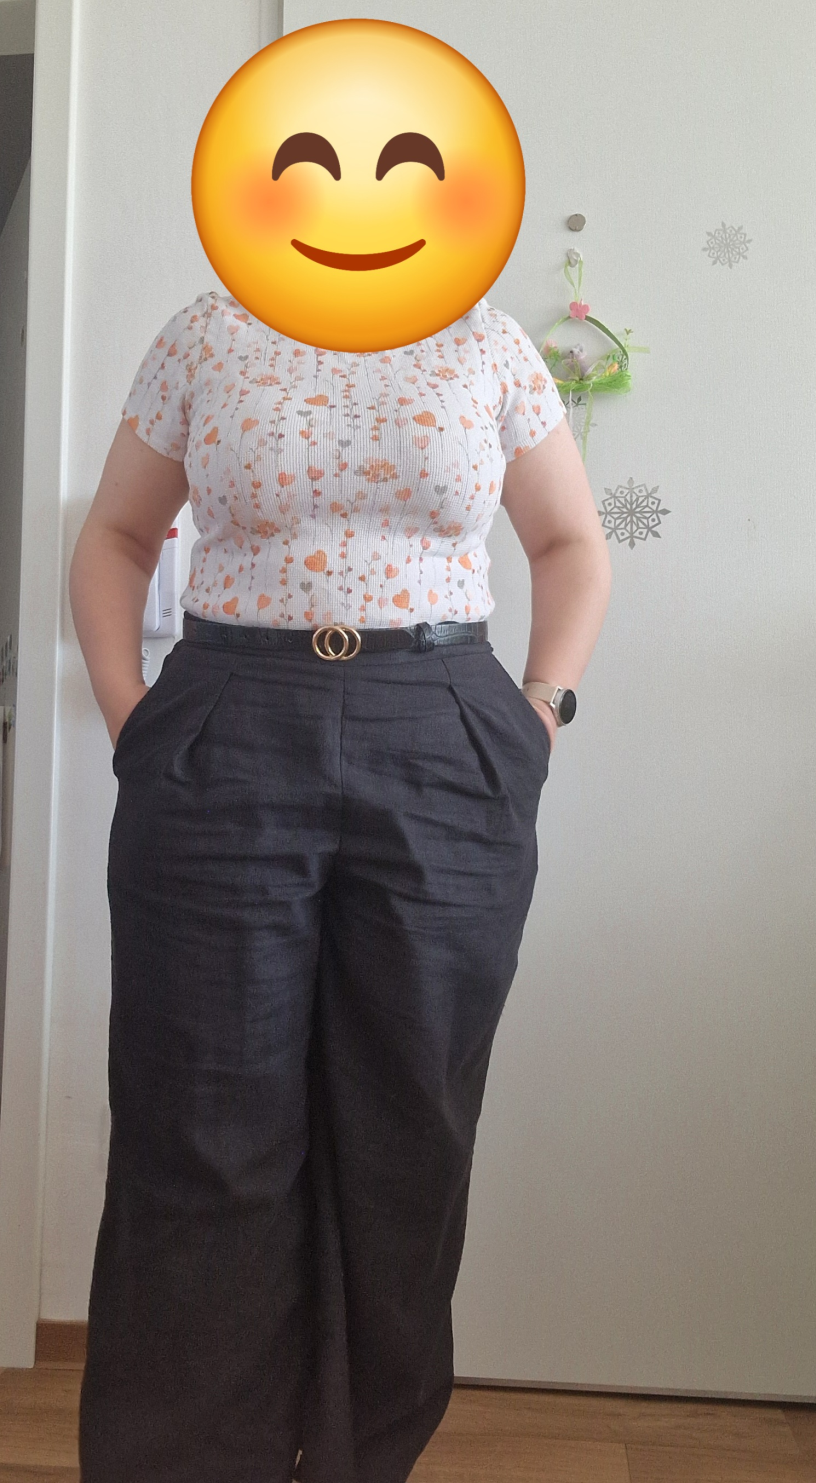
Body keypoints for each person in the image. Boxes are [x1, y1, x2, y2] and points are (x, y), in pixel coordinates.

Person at [69, 288, 611, 1483]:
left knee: (408, 1125)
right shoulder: (209, 331)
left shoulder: (486, 340)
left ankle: (358, 1460)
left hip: (444, 728)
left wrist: (538, 713)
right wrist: (131, 719)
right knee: (200, 1122)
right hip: (227, 717)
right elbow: (116, 533)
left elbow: (570, 543)